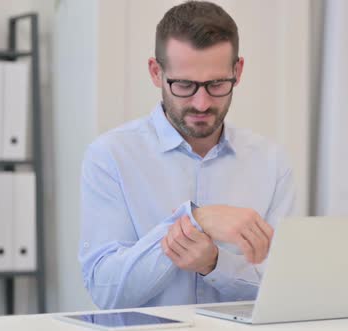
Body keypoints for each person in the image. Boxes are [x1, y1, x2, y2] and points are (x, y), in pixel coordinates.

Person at [79, 0, 295, 309]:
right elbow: (107, 292)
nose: (202, 103)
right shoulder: (110, 156)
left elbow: (282, 288)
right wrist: (197, 220)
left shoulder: (271, 163)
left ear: (238, 71)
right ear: (156, 72)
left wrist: (215, 264)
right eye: (184, 85)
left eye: (217, 84)